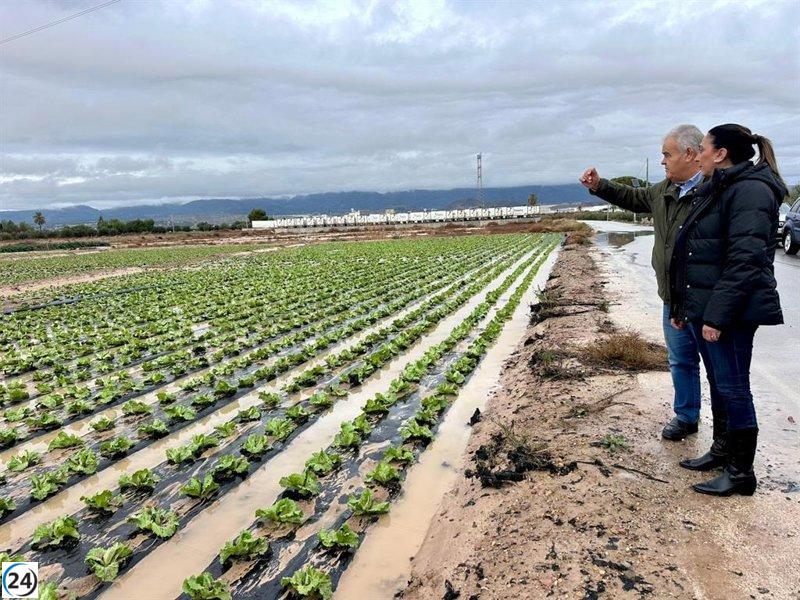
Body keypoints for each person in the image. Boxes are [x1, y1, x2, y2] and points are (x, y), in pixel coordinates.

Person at [669, 124, 785, 496]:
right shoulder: (718, 186)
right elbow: (693, 252)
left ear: (720, 154)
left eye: (702, 148)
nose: (697, 154)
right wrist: (683, 306)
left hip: (732, 310)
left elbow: (745, 261)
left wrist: (717, 316)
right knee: (720, 383)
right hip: (707, 304)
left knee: (735, 388)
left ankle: (740, 474)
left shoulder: (751, 190)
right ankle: (722, 451)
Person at [579, 124, 708, 441]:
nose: (663, 161)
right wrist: (599, 186)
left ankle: (727, 436)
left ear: (689, 153)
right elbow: (631, 196)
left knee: (722, 371)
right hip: (673, 297)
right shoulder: (663, 190)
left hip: (706, 297)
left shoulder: (713, 191)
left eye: (667, 154)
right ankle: (686, 416)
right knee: (680, 360)